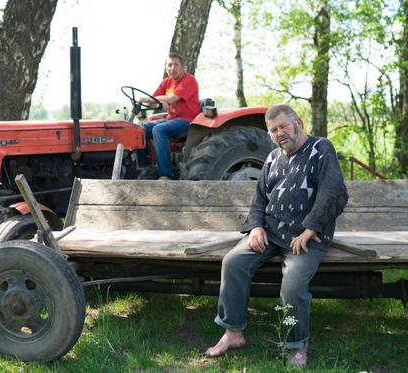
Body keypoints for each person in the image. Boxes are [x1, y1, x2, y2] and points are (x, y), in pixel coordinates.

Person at [204, 104, 349, 368]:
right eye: (273, 130)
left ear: (298, 123)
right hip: (270, 232)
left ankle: (297, 346)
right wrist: (257, 227)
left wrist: (311, 228)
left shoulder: (320, 149)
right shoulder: (271, 158)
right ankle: (233, 332)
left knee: (292, 286)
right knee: (233, 262)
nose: (279, 133)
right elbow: (259, 198)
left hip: (307, 237)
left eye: (283, 126)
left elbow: (333, 191)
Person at [138, 53, 200, 180]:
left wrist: (146, 99)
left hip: (187, 121)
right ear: (166, 68)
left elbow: (172, 98)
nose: (172, 68)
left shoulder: (189, 80)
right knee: (139, 129)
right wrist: (154, 102)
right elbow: (153, 100)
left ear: (184, 67)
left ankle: (166, 174)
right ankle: (145, 168)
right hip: (171, 119)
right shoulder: (166, 82)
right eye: (169, 65)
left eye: (176, 65)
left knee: (159, 130)